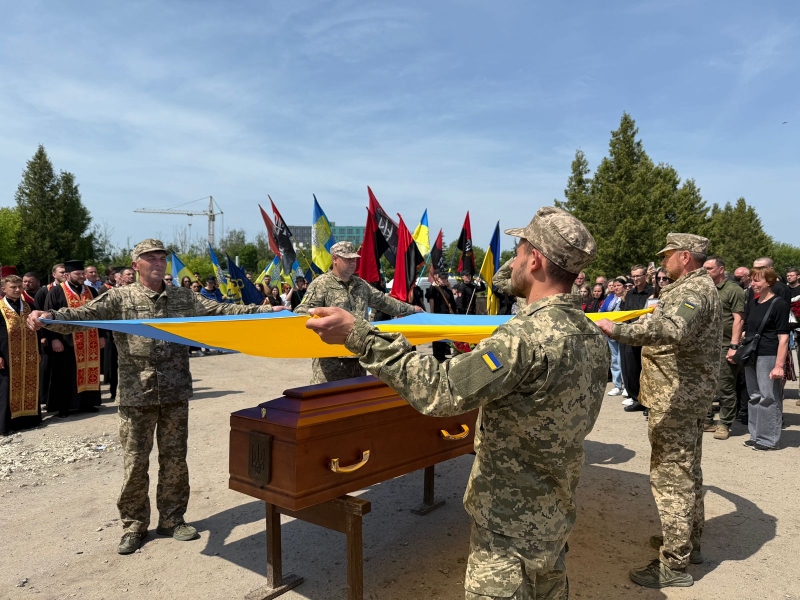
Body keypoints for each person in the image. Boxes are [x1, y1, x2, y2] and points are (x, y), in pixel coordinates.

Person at [307, 207, 609, 599]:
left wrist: (361, 337)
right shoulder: (590, 334)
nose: (511, 261)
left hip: (508, 529)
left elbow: (441, 390)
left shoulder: (523, 339)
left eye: (518, 251)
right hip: (553, 516)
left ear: (535, 259)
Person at [27, 239, 286, 556]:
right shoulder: (120, 297)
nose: (158, 262)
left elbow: (223, 311)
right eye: (150, 258)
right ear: (136, 265)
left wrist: (264, 310)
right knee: (135, 463)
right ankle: (134, 525)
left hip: (175, 392)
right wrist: (48, 316)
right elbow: (83, 316)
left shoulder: (182, 297)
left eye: (162, 257)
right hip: (137, 395)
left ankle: (172, 519)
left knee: (175, 461)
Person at [596, 233, 722, 588]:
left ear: (685, 257)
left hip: (677, 399)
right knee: (687, 471)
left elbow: (674, 328)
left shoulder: (694, 291)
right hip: (682, 396)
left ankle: (675, 563)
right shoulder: (693, 287)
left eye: (667, 255)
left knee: (672, 478)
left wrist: (618, 329)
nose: (662, 262)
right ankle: (686, 542)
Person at [294, 241, 422, 384]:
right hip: (330, 362)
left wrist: (411, 309)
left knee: (356, 401)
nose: (352, 262)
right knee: (328, 402)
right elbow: (301, 312)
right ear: (335, 259)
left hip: (358, 358)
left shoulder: (361, 285)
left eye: (354, 259)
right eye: (347, 259)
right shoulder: (321, 284)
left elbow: (384, 302)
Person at [43, 260, 105, 417]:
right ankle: (64, 406)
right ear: (67, 275)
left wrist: (102, 335)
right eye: (78, 274)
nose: (81, 276)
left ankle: (87, 403)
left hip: (89, 339)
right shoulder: (56, 292)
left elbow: (101, 314)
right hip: (66, 340)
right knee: (65, 374)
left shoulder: (91, 291)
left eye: (82, 273)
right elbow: (49, 318)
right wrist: (54, 339)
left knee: (89, 369)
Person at [742, 266, 790, 451]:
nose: (753, 284)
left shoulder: (779, 304)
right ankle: (756, 435)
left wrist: (779, 365)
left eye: (757, 280)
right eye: (752, 280)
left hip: (769, 354)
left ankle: (769, 439)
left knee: (769, 397)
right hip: (751, 354)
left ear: (769, 282)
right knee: (754, 396)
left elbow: (783, 337)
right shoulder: (753, 302)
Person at [702, 257, 745, 440]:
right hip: (706, 345)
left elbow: (739, 319)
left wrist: (734, 346)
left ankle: (725, 423)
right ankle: (708, 420)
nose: (706, 271)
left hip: (725, 344)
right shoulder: (706, 289)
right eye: (704, 268)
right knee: (705, 385)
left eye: (710, 268)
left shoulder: (733, 290)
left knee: (724, 387)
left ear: (721, 269)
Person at [0, 275, 43, 435]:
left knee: (30, 384)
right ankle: (6, 424)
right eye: (14, 287)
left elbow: (36, 330)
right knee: (7, 388)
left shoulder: (29, 306)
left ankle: (28, 420)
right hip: (6, 354)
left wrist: (38, 351)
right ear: (4, 289)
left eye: (20, 286)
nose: (18, 290)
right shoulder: (0, 307)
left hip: (29, 353)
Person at [620, 265, 654, 413]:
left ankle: (649, 403)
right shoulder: (630, 294)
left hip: (646, 337)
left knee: (647, 370)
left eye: (638, 276)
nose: (635, 279)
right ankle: (637, 399)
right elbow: (625, 314)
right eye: (633, 276)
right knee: (631, 370)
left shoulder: (652, 293)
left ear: (645, 276)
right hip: (630, 335)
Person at [600, 278, 626, 399]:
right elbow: (602, 311)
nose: (616, 288)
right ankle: (617, 385)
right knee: (615, 359)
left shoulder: (626, 297)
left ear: (624, 286)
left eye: (618, 285)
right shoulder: (610, 298)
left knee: (623, 359)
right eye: (614, 286)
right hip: (610, 333)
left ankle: (626, 386)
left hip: (623, 331)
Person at [426, 269, 458, 362]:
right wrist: (432, 286)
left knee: (444, 336)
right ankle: (436, 355)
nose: (444, 280)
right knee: (436, 337)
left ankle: (443, 354)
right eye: (442, 278)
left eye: (445, 279)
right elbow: (428, 295)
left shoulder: (448, 291)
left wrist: (454, 313)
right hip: (437, 315)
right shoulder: (435, 289)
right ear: (438, 279)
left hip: (446, 316)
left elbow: (453, 303)